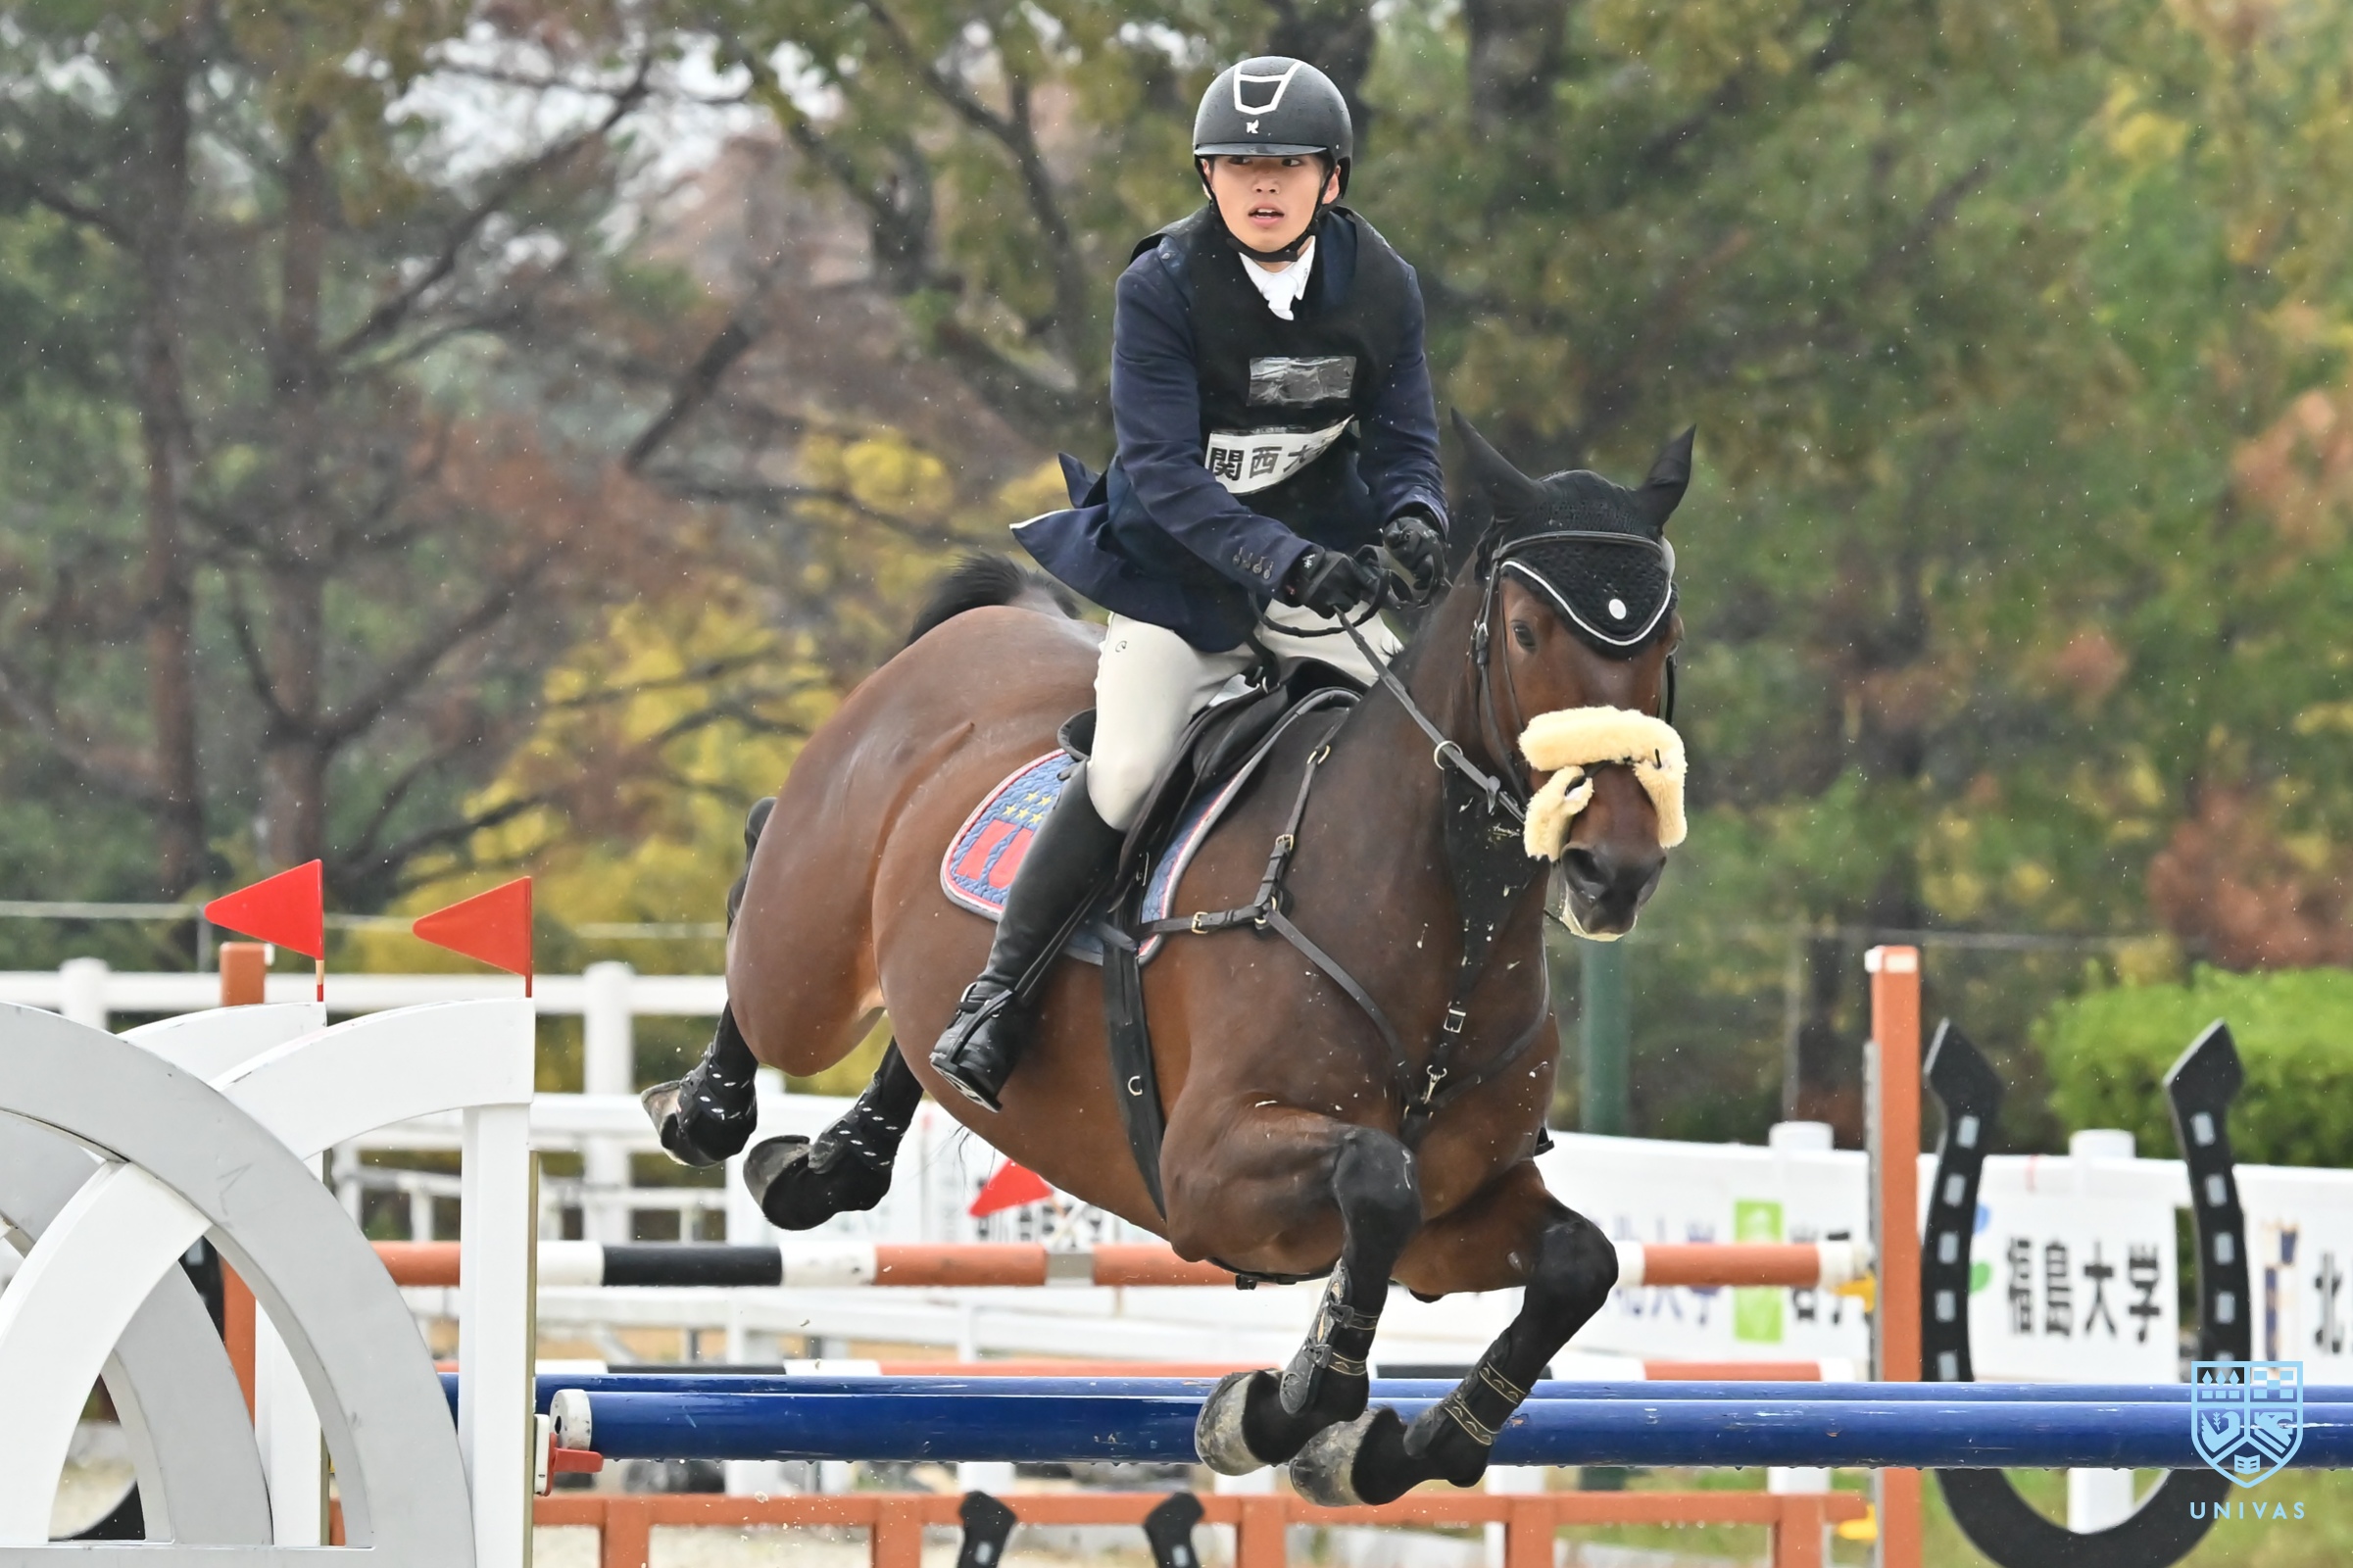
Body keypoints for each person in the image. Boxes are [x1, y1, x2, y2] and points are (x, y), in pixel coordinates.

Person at [930, 55, 1450, 1112]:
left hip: (1319, 572)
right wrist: (1280, 560)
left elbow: (1405, 439)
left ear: (1331, 180)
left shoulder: (1382, 283)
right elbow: (1165, 475)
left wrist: (1415, 516)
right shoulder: (1161, 285)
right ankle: (998, 997)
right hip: (1178, 578)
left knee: (1427, 756)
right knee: (1125, 771)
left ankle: (1456, 1020)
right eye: (1239, 167)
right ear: (1207, 177)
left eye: (1286, 167)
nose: (1263, 187)